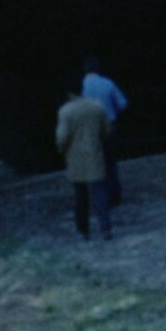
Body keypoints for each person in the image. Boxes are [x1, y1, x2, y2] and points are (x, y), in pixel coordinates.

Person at [56, 78, 112, 241]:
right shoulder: (97, 106)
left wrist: (61, 150)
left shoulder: (65, 111)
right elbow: (107, 130)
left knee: (80, 195)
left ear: (68, 92)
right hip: (95, 153)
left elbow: (62, 137)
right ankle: (106, 227)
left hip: (75, 157)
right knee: (100, 193)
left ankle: (83, 230)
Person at [80, 56, 127, 211]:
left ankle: (100, 197)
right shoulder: (107, 83)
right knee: (111, 161)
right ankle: (115, 195)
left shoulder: (81, 86)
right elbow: (122, 103)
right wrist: (113, 111)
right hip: (108, 126)